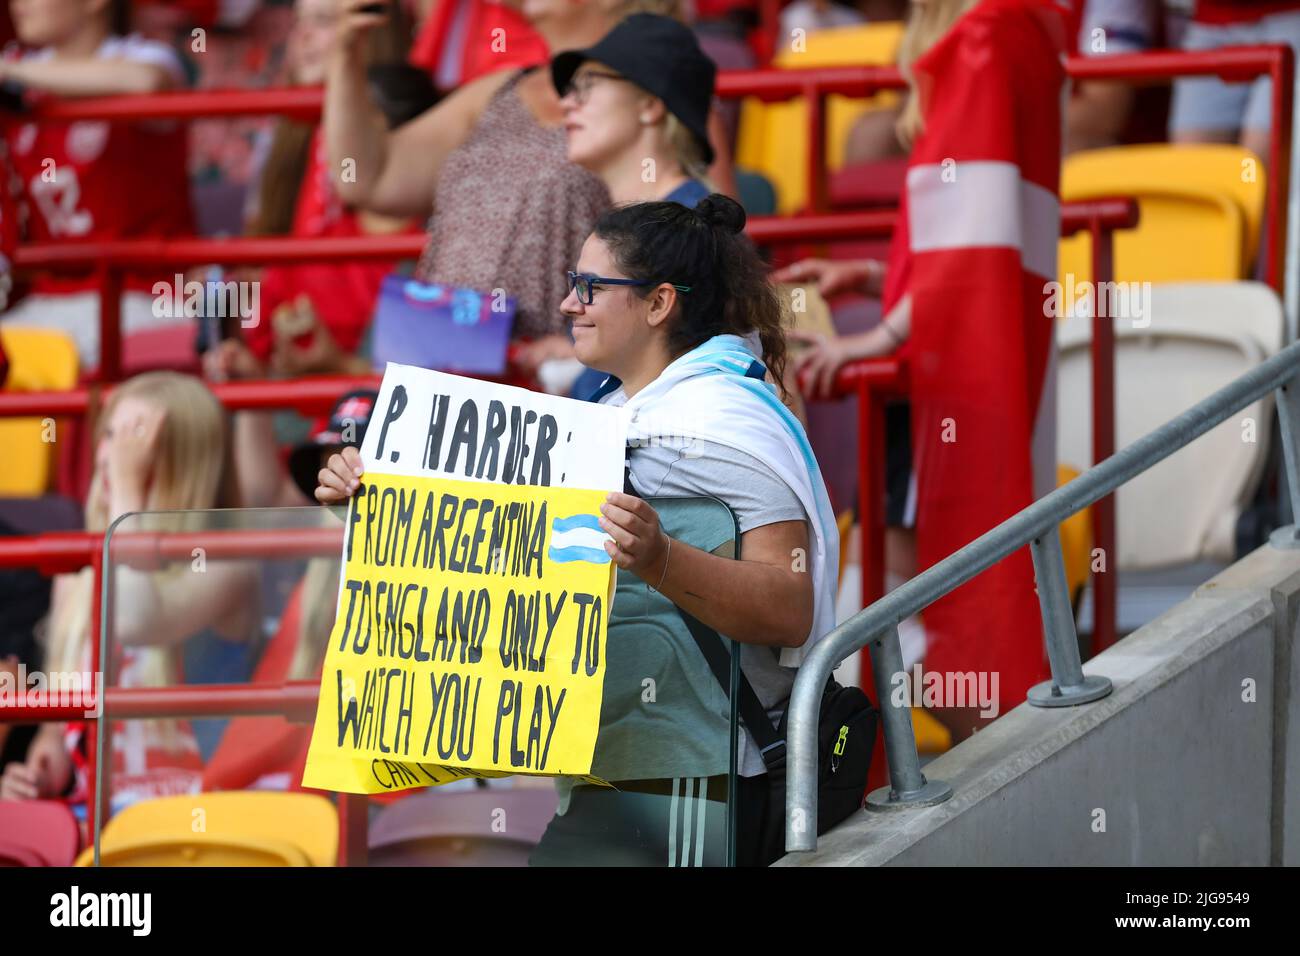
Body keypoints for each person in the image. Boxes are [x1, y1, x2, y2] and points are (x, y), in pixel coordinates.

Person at [315, 194, 840, 866]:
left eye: (591, 288)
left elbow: (788, 605)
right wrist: (382, 508)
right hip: (621, 763)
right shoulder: (613, 409)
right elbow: (512, 554)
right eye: (572, 285)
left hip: (698, 777)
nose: (568, 305)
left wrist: (661, 558)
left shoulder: (726, 421)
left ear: (659, 305)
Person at [775, 0, 1067, 737]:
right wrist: (881, 277)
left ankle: (982, 770)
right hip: (972, 356)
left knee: (892, 623)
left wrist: (884, 333)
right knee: (906, 616)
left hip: (943, 375)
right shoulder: (1017, 33)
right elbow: (983, 231)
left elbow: (971, 239)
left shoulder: (988, 33)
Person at [324, 0, 696, 379]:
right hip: (446, 356)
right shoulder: (500, 89)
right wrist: (346, 54)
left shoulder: (653, 88)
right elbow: (367, 179)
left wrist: (586, 353)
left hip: (553, 381)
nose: (574, 105)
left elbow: (696, 231)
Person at [0, 372, 260, 813]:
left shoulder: (227, 567)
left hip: (195, 821)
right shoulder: (77, 577)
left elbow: (137, 621)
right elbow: (62, 723)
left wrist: (127, 491)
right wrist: (41, 769)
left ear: (189, 461)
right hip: (93, 822)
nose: (114, 454)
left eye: (136, 438)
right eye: (109, 434)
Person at [0, 0, 195, 373]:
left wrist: (12, 71)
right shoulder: (20, 71)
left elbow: (146, 82)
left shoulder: (146, 57)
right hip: (49, 297)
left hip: (147, 294)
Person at [552, 13, 717, 208]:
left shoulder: (689, 230)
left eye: (588, 84)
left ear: (650, 106)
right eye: (571, 89)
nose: (565, 104)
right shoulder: (673, 221)